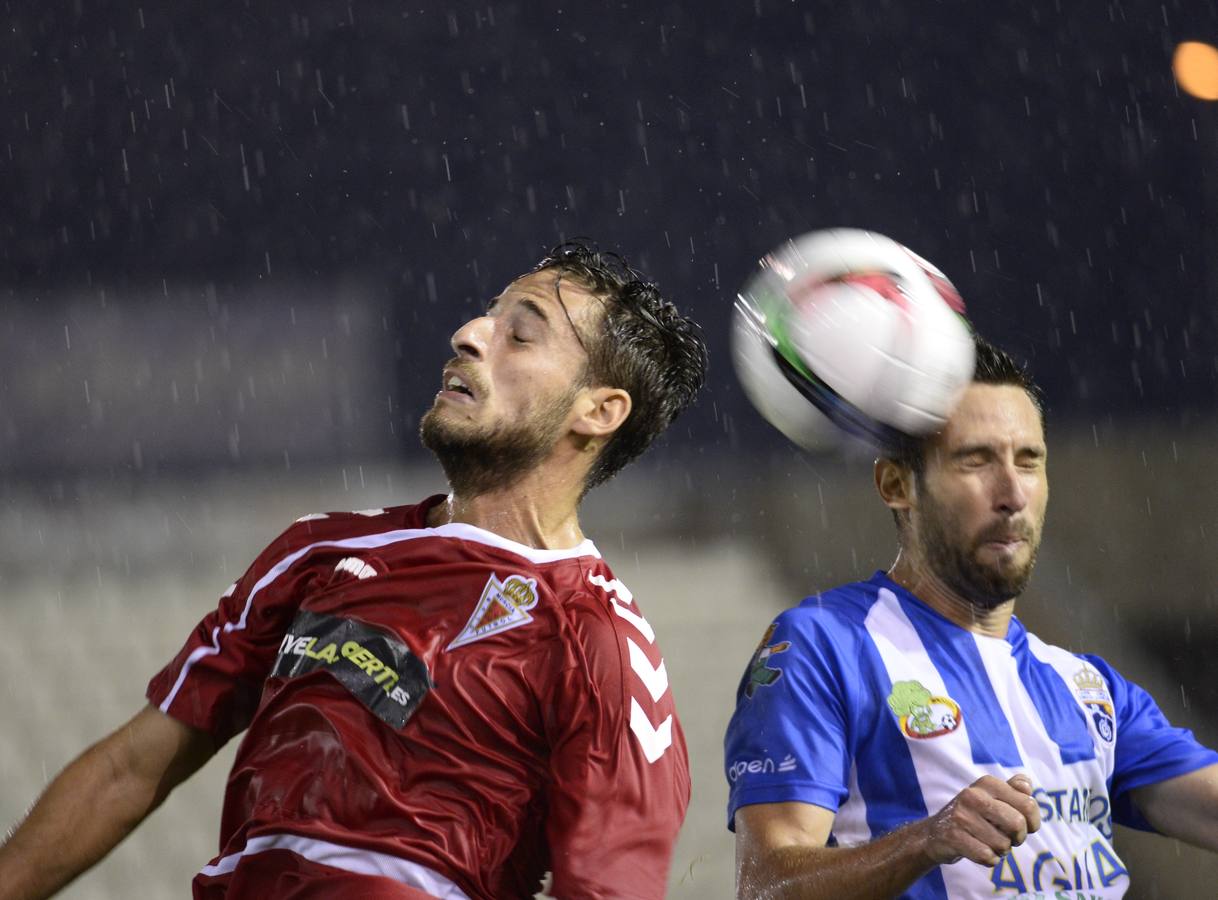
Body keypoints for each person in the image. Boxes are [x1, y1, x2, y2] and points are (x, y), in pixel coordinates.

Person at [0, 240, 708, 900]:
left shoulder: (600, 640)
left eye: (520, 334)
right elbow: (131, 769)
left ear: (599, 410)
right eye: (486, 316)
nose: (468, 334)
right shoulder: (318, 553)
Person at [724, 338, 1218, 899]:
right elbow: (765, 885)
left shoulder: (1088, 688)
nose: (1012, 493)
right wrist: (925, 841)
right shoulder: (825, 645)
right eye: (975, 460)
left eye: (1029, 461)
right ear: (896, 485)